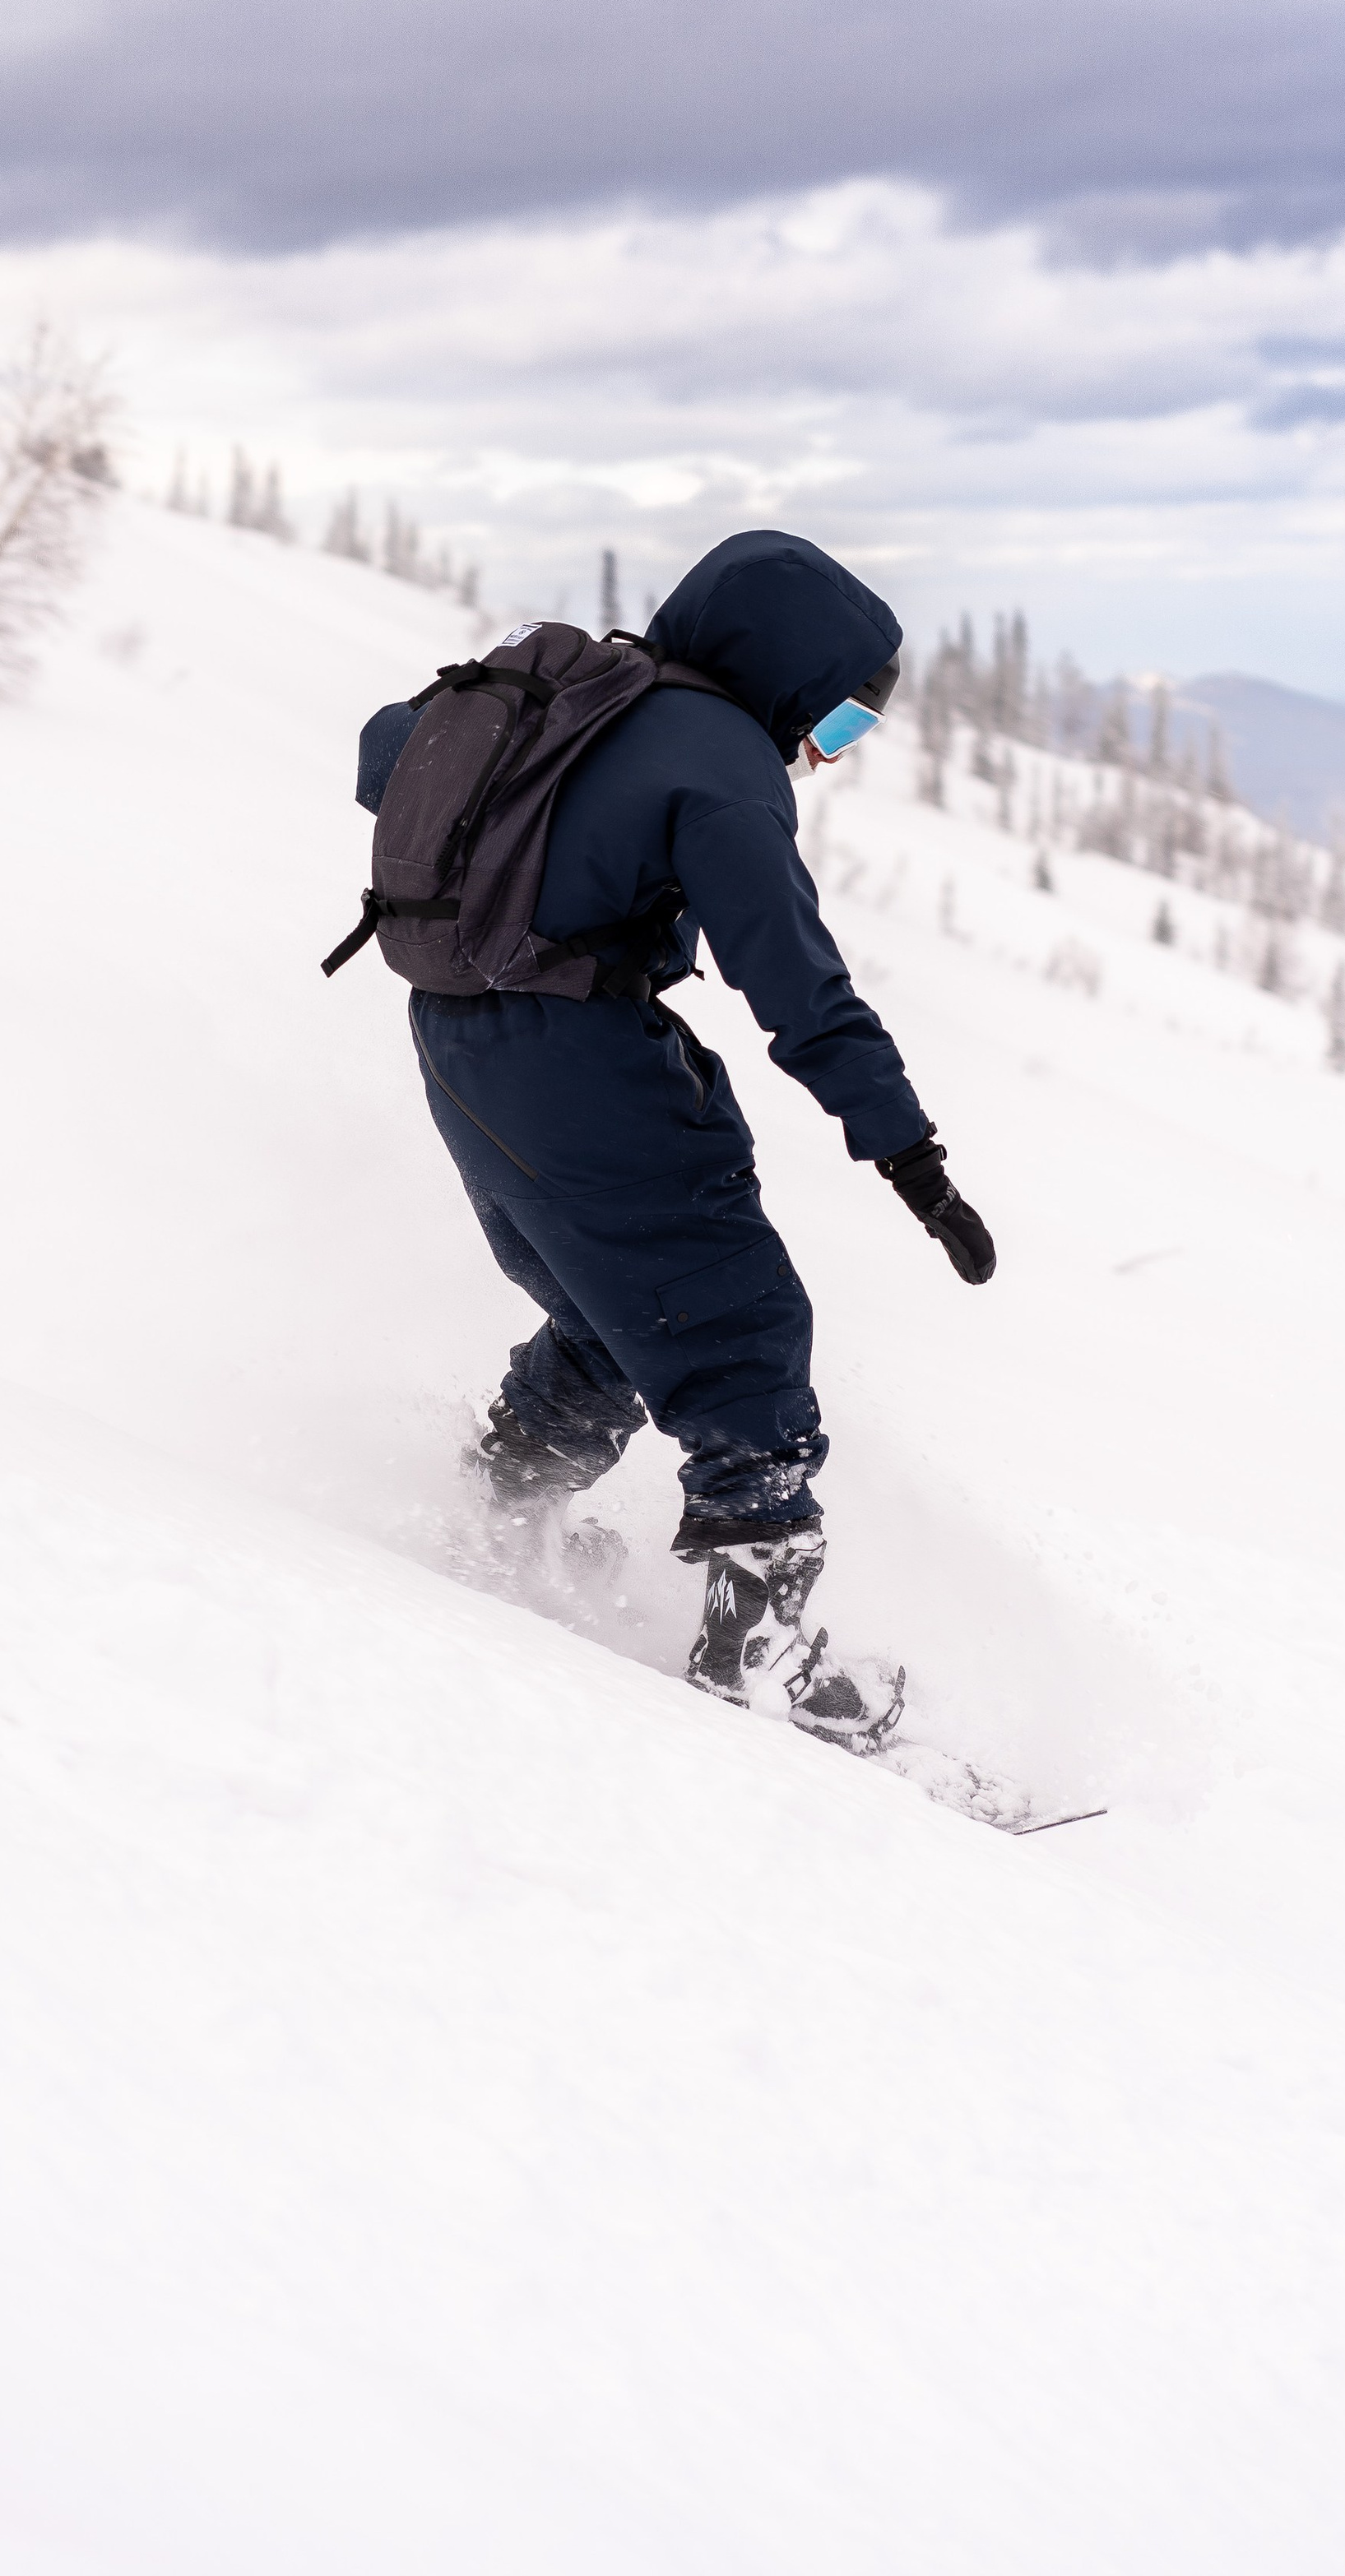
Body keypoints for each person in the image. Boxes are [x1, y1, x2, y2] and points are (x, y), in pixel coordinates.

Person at [355, 528, 995, 1746]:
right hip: (581, 1062)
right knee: (735, 1324)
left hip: (458, 1046)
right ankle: (759, 1660)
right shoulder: (719, 763)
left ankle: (507, 1516)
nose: (829, 755)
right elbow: (798, 984)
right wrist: (910, 1155)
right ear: (790, 678)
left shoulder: (583, 698)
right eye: (843, 725)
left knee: (614, 1312)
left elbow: (390, 751)